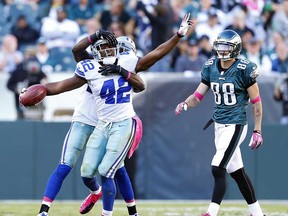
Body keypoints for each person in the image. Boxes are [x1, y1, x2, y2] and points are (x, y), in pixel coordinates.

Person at [35, 31, 143, 216]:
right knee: (67, 164)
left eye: (121, 52)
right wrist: (42, 89)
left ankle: (131, 212)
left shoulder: (125, 71)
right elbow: (75, 55)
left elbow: (139, 85)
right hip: (85, 120)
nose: (112, 54)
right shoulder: (92, 68)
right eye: (108, 49)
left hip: (109, 124)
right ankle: (48, 209)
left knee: (117, 169)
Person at [175, 29, 265, 216]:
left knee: (218, 167)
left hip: (236, 124)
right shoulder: (210, 66)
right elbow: (198, 96)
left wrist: (257, 130)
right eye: (220, 47)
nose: (222, 51)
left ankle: (211, 212)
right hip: (219, 125)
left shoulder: (245, 69)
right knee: (237, 172)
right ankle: (257, 213)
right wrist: (185, 103)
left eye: (226, 47)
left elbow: (256, 103)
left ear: (236, 49)